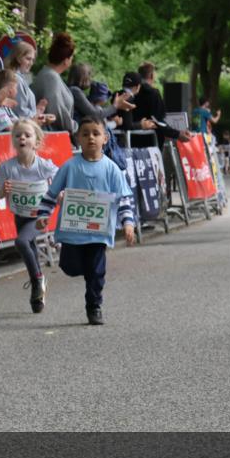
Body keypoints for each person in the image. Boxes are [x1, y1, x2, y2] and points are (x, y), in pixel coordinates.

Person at [36, 116, 136, 325]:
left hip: (98, 233)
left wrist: (128, 223)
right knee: (70, 267)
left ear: (105, 139)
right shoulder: (70, 166)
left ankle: (94, 306)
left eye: (96, 133)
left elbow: (124, 198)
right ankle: (85, 271)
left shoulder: (112, 169)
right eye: (85, 134)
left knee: (97, 272)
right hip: (73, 232)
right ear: (77, 139)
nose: (91, 137)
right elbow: (51, 194)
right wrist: (43, 215)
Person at [0, 119, 58, 312]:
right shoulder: (7, 167)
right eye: (18, 135)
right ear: (13, 141)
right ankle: (38, 292)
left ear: (36, 142)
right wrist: (3, 189)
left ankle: (37, 281)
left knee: (21, 242)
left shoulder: (43, 166)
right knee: (28, 245)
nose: (22, 137)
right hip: (19, 214)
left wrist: (58, 191)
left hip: (38, 216)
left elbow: (59, 179)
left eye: (27, 135)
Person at [131, 62, 191, 143]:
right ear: (152, 75)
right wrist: (177, 134)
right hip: (150, 141)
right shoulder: (152, 93)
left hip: (131, 139)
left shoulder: (131, 92)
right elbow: (158, 120)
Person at [31, 32, 76, 135]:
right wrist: (76, 126)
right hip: (51, 136)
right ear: (66, 60)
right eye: (71, 57)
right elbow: (57, 112)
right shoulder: (51, 78)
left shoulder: (49, 75)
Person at [4, 39, 47, 121]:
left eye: (32, 60)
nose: (31, 63)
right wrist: (37, 114)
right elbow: (20, 111)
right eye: (28, 59)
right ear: (18, 58)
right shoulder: (15, 79)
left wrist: (38, 112)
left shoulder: (21, 78)